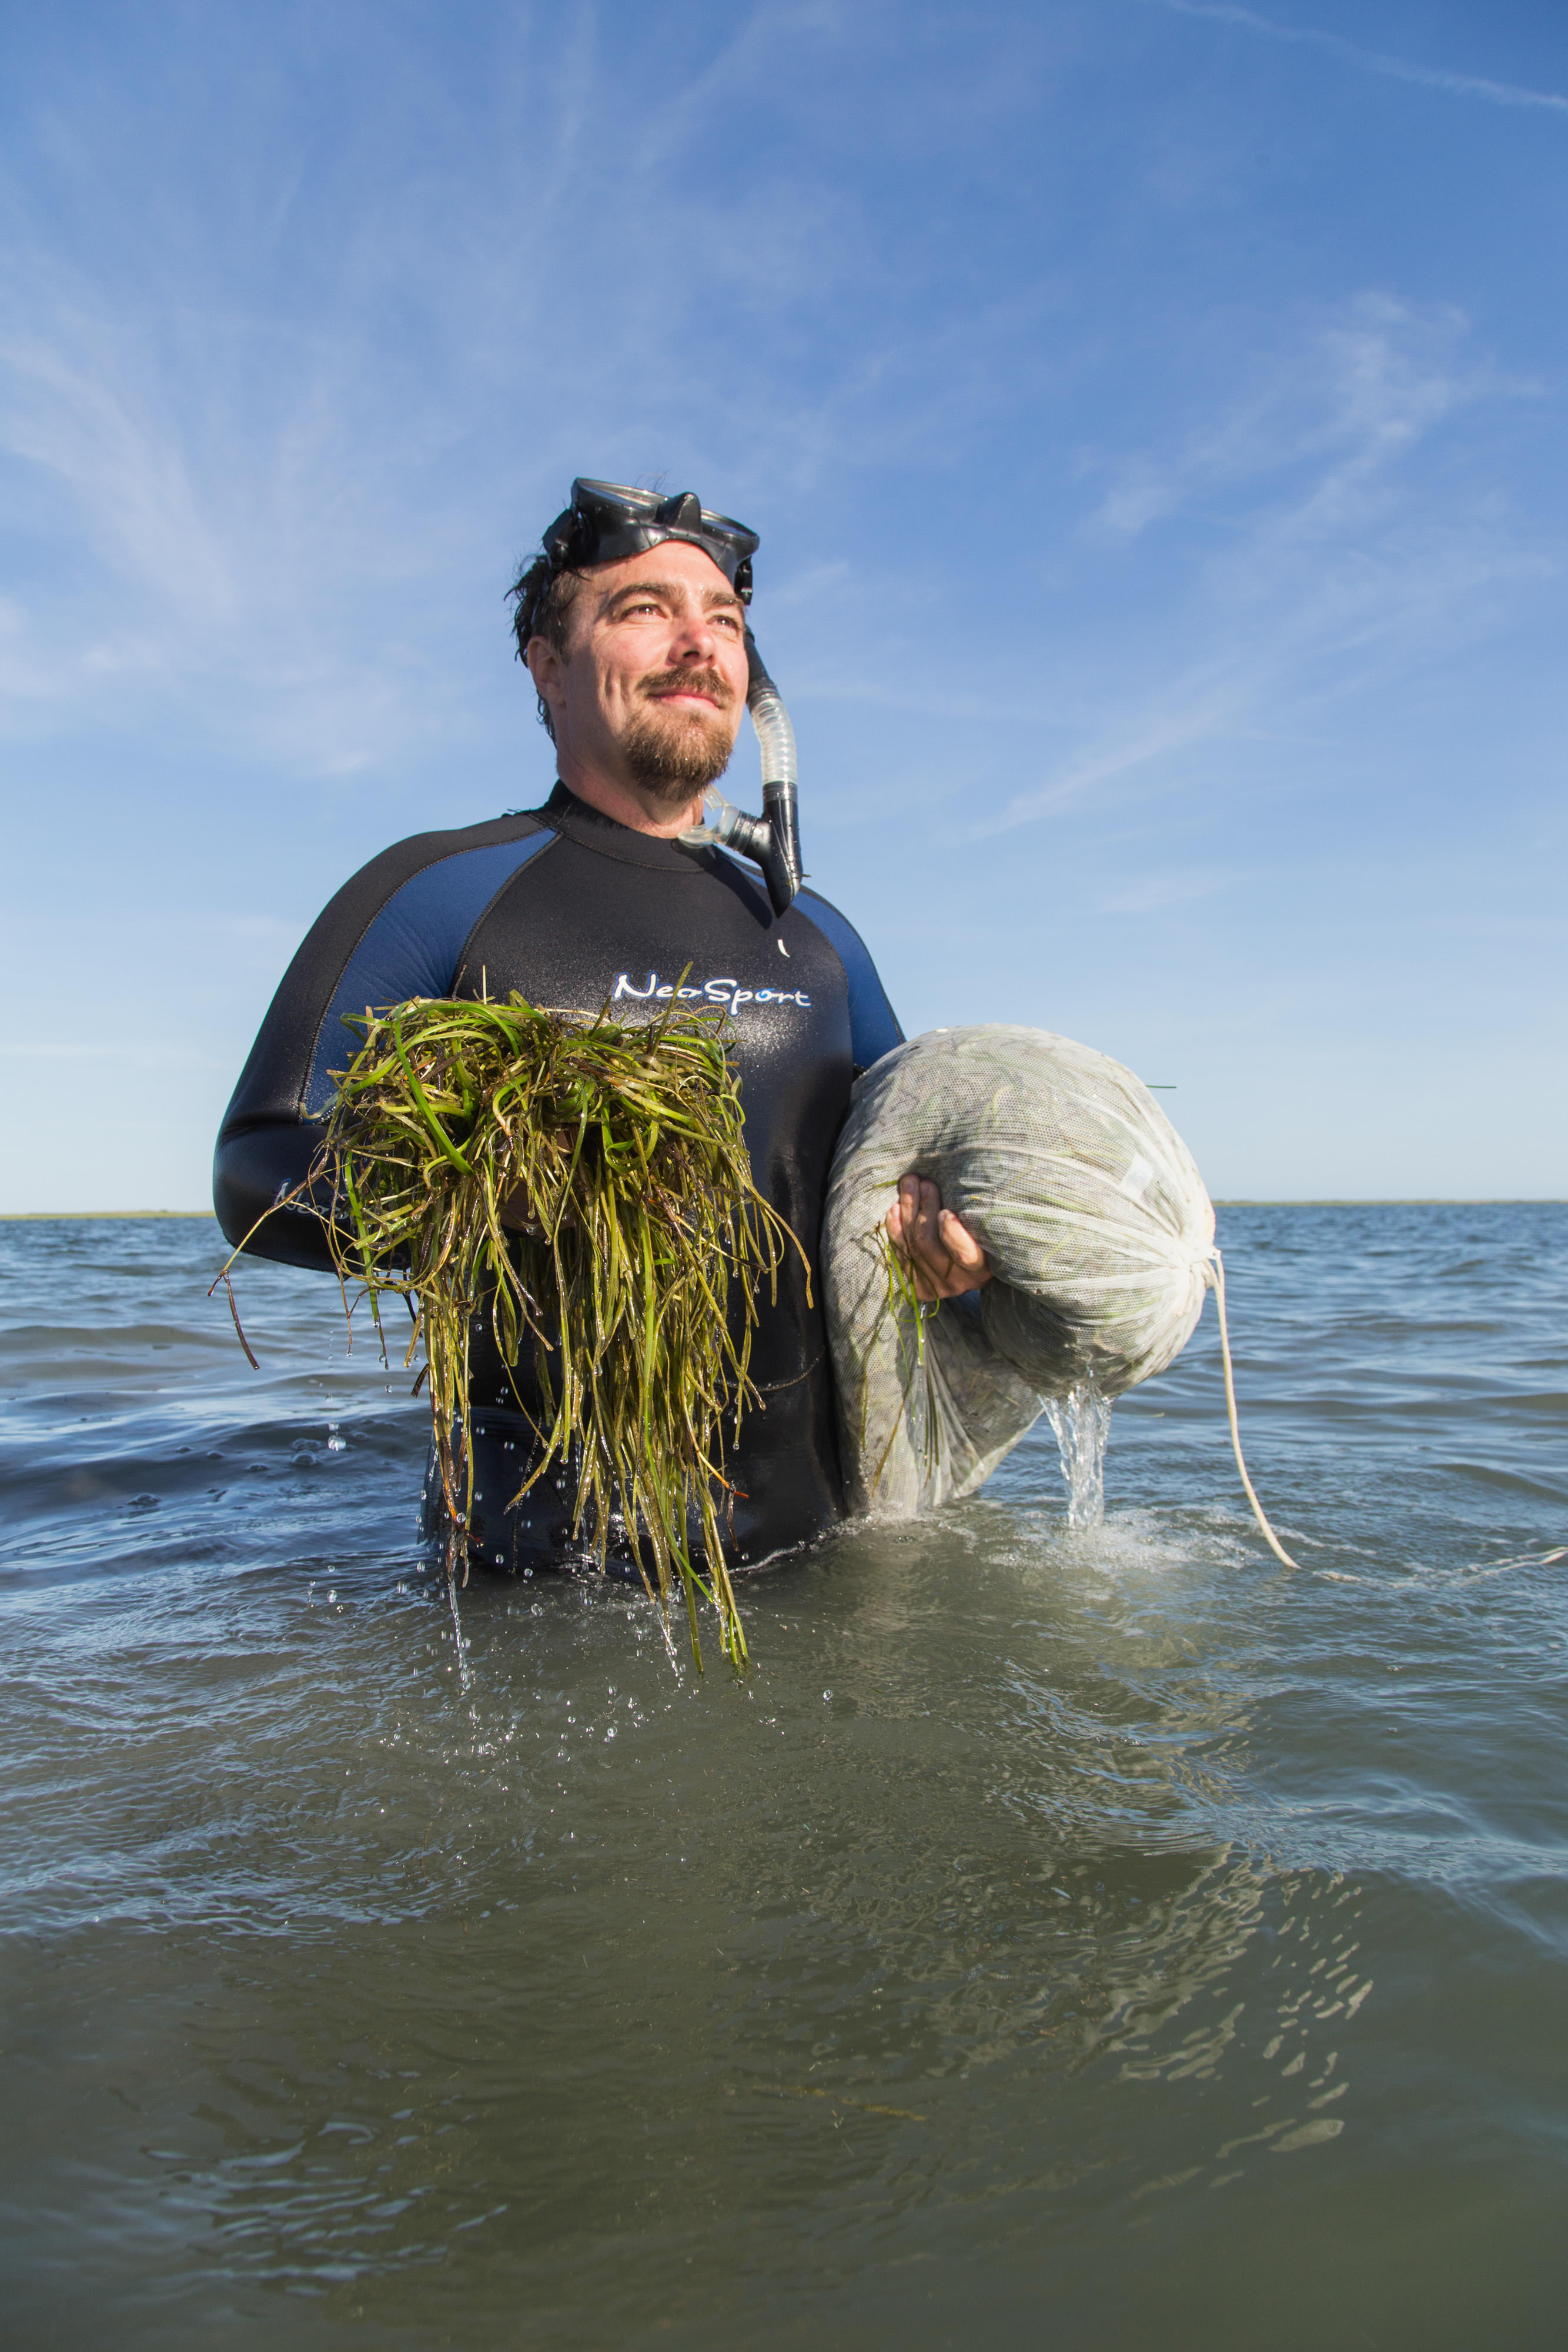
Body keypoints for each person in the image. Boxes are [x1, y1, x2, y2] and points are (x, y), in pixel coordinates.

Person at [214, 478, 989, 1573]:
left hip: (821, 1564)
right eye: (644, 610)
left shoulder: (814, 932)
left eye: (724, 621)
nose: (698, 643)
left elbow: (912, 1162)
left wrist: (944, 1236)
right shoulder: (443, 890)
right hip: (530, 1592)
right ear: (546, 663)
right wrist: (490, 1198)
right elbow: (255, 1166)